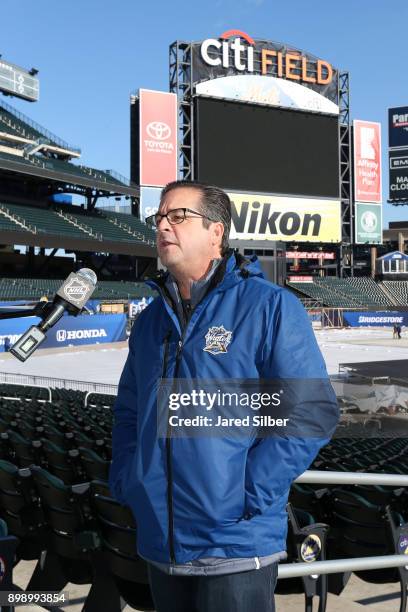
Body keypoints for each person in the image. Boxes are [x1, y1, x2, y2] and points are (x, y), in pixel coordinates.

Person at [109, 180, 339, 612]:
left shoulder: (268, 306)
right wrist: (130, 478)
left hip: (235, 547)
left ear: (216, 232)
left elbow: (312, 410)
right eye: (159, 218)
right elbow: (129, 412)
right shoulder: (149, 323)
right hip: (162, 544)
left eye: (178, 216)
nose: (163, 226)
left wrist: (245, 492)